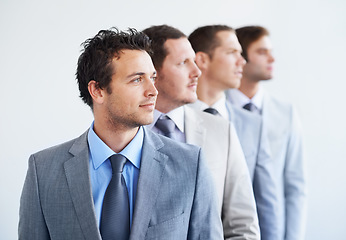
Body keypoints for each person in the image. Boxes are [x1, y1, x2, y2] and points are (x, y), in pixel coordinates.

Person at [19, 27, 224, 240]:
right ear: (97, 90)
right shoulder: (43, 170)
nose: (153, 90)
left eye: (152, 78)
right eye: (137, 79)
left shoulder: (190, 164)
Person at [143, 24, 260, 240]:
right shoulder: (127, 132)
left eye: (194, 62)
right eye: (182, 63)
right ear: (153, 74)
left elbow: (243, 224)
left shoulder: (220, 130)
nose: (196, 72)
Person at [188, 24, 280, 240]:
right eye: (232, 53)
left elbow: (266, 202)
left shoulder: (252, 125)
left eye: (242, 53)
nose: (243, 61)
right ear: (202, 60)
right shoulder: (170, 123)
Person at [226, 25, 307, 240]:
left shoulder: (286, 113)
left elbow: (295, 186)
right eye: (262, 52)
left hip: (272, 228)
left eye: (270, 52)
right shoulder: (214, 109)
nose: (272, 59)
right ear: (241, 58)